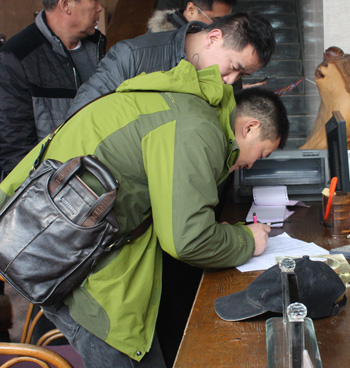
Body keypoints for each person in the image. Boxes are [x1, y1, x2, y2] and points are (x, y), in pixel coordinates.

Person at [0, 60, 289, 367]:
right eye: (262, 153)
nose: (252, 164)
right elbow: (187, 240)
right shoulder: (196, 128)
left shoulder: (181, 104)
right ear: (250, 127)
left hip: (56, 242)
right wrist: (247, 240)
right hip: (77, 271)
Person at [0, 0, 112, 176]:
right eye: (94, 0)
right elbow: (15, 148)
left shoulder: (101, 49)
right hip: (52, 185)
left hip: (102, 177)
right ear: (66, 4)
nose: (99, 8)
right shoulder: (17, 56)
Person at [68, 11, 275, 115]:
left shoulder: (228, 85)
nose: (231, 80)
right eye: (234, 68)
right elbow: (80, 117)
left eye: (242, 75)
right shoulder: (133, 56)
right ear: (213, 38)